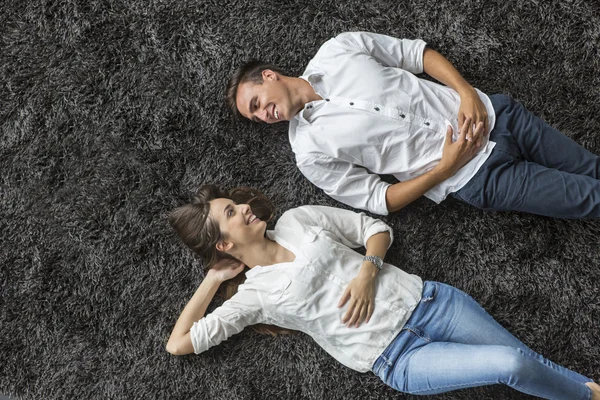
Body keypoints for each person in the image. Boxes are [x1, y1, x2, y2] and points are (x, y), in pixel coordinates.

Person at [166, 185, 600, 399]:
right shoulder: (253, 297)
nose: (244, 207)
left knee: (529, 361)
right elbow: (179, 344)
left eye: (235, 203)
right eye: (231, 213)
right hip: (397, 358)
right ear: (224, 243)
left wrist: (367, 273)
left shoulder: (299, 220)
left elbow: (372, 228)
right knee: (511, 364)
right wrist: (214, 278)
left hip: (431, 304)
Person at [226, 31, 600, 218]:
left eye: (257, 104)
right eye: (256, 117)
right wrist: (445, 169)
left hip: (497, 115)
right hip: (476, 177)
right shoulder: (308, 152)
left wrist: (466, 92)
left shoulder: (338, 49)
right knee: (591, 199)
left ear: (270, 76)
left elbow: (417, 55)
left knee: (592, 170)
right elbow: (378, 200)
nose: (264, 116)